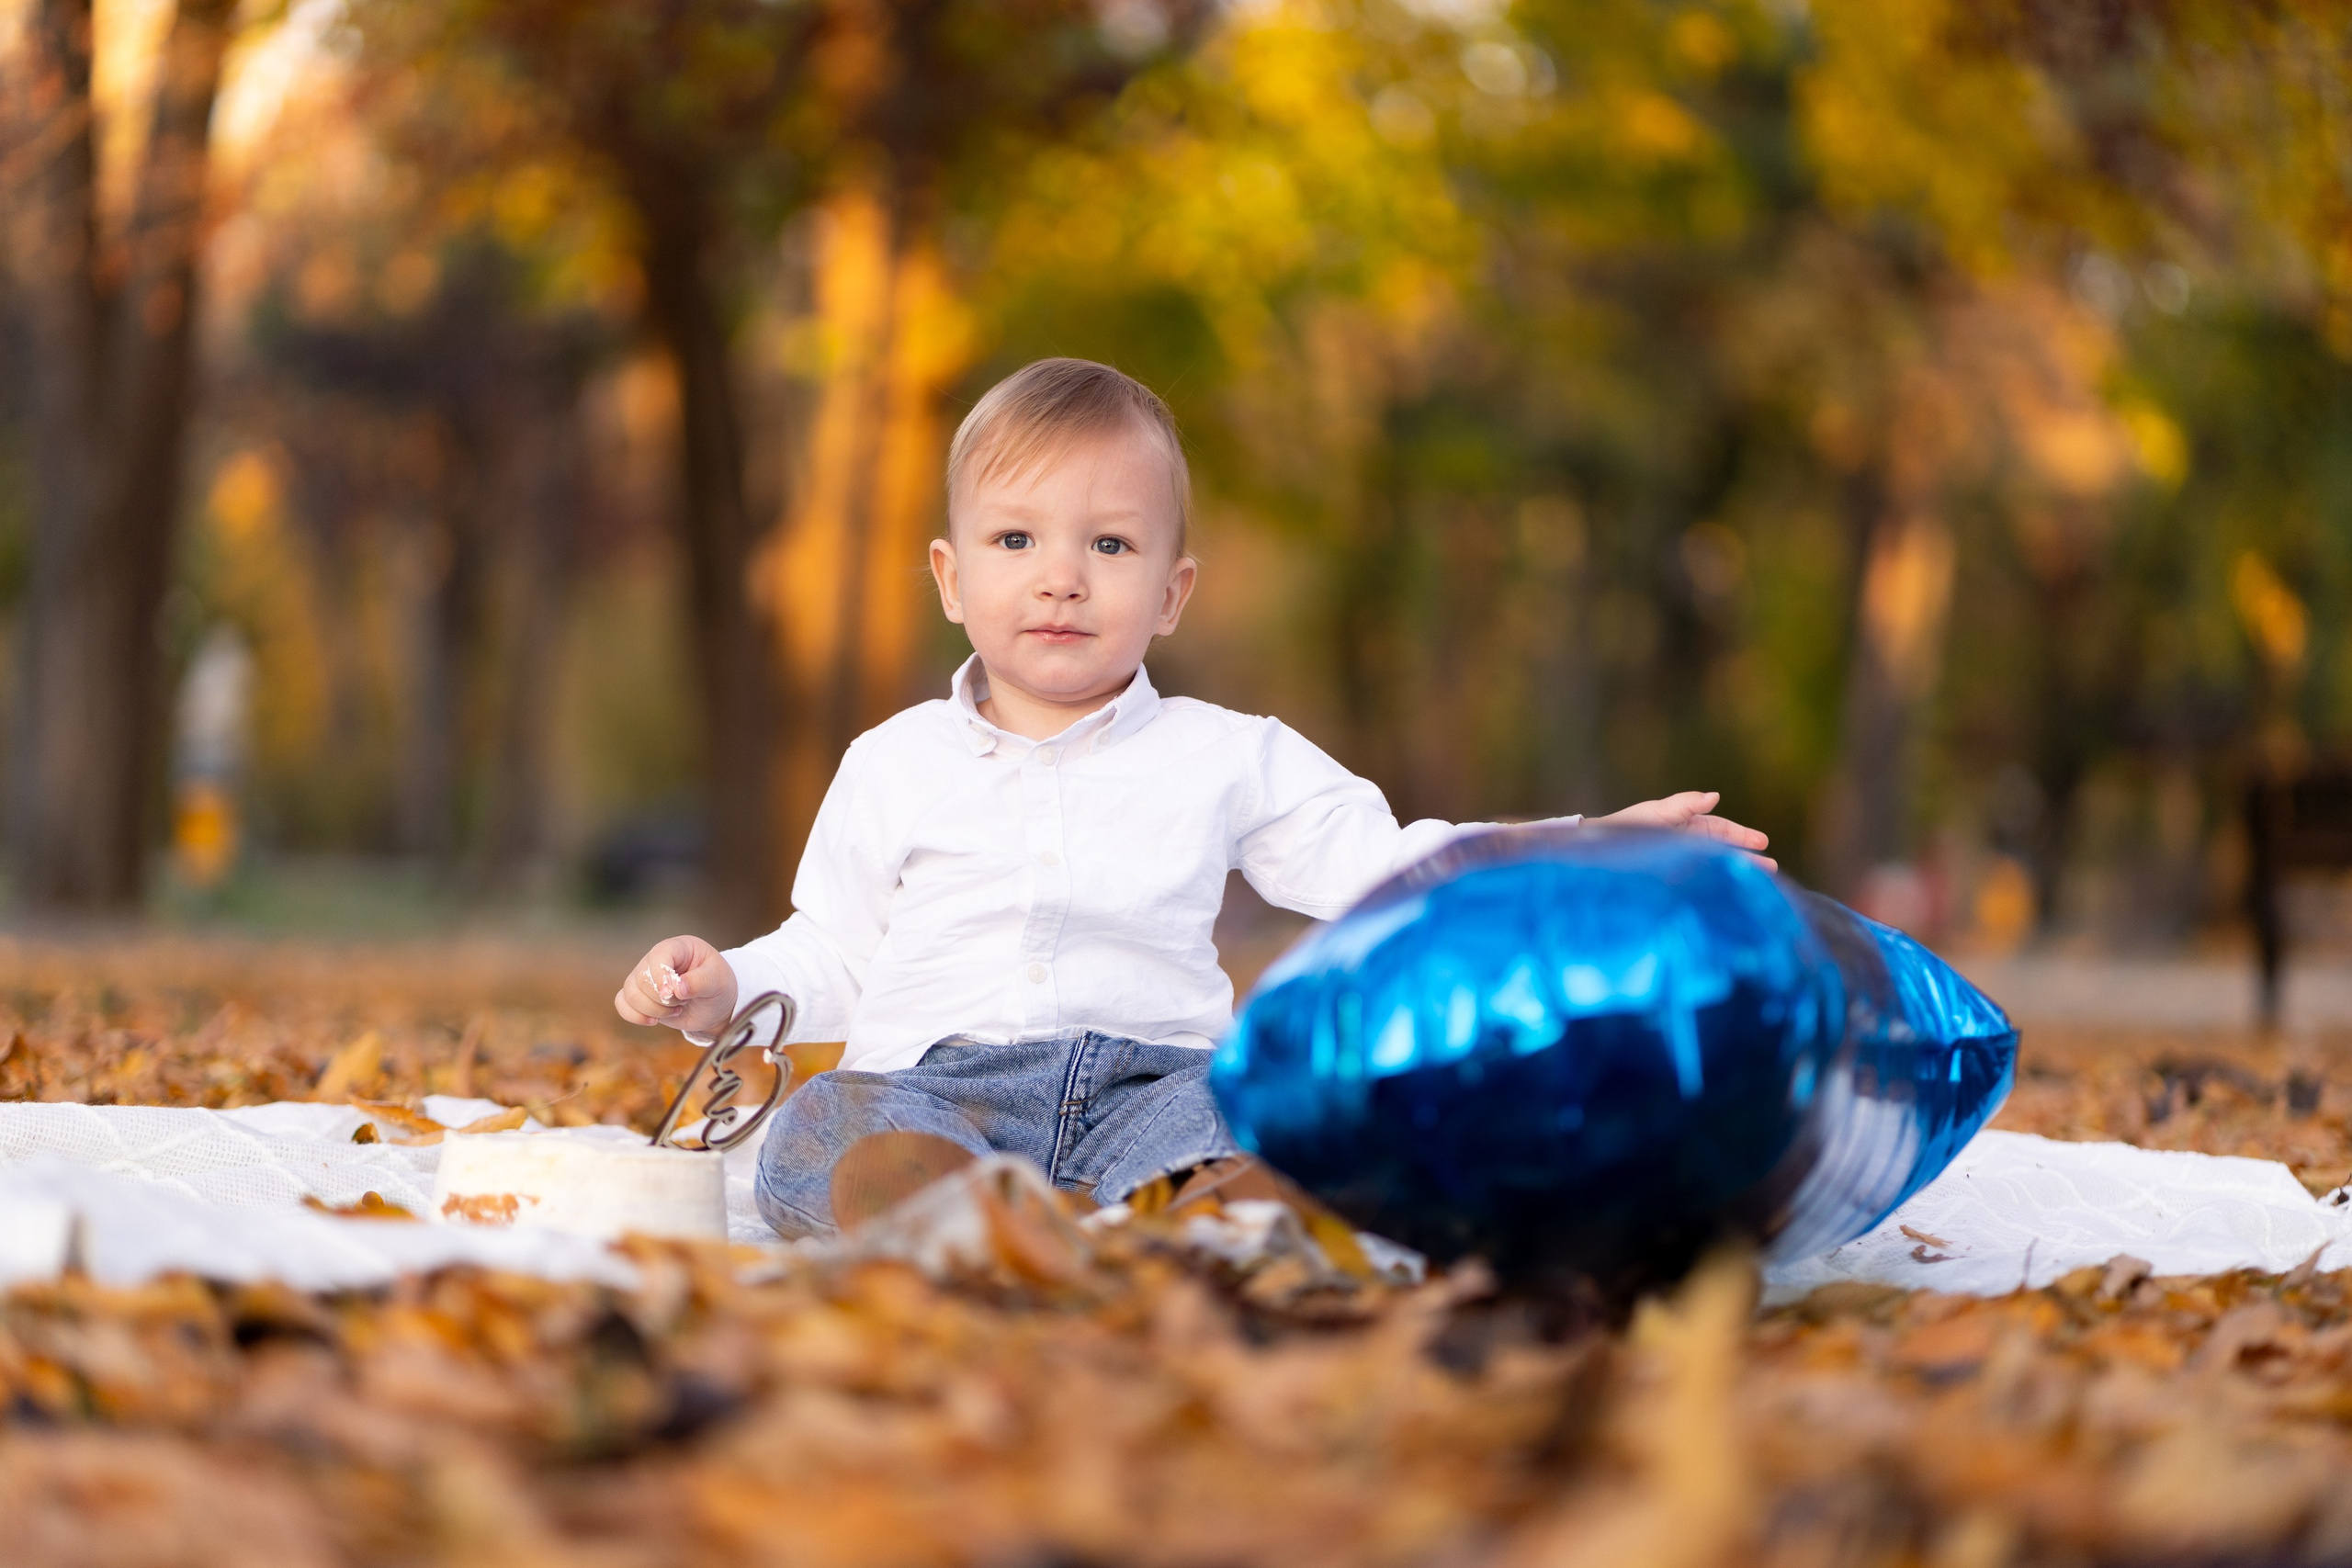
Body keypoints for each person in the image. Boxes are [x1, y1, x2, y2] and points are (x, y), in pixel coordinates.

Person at [615, 357, 1770, 1238]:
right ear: (951, 577)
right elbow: (836, 952)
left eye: (1109, 546)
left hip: (1153, 1085)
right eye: (1016, 538)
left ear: (1171, 594)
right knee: (821, 1130)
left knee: (1261, 1116)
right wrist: (724, 985)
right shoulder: (892, 760)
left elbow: (1387, 864)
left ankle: (1201, 1213)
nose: (1062, 576)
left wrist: (1585, 847)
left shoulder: (1226, 755)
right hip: (935, 1092)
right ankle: (965, 1226)